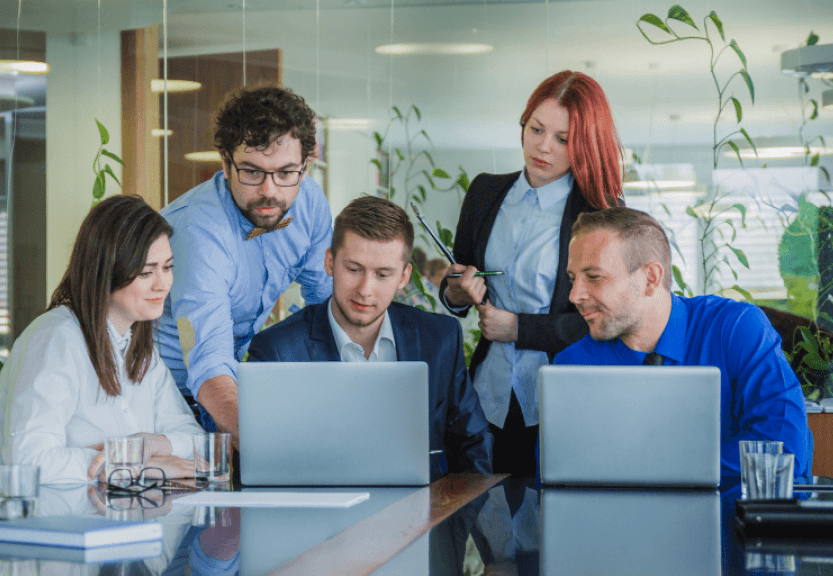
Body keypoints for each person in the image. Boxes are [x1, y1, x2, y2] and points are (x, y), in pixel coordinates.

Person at [441, 70, 623, 475]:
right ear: (523, 125)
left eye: (563, 140)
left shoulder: (599, 215)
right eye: (536, 129)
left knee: (554, 527)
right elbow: (459, 279)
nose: (543, 147)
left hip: (562, 400)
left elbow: (606, 321)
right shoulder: (485, 193)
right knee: (484, 525)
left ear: (585, 146)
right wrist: (456, 293)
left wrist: (519, 328)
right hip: (486, 396)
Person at [557, 206, 811, 477]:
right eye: (573, 279)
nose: (575, 295)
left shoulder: (735, 329)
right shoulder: (574, 366)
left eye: (594, 277)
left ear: (650, 279)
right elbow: (559, 474)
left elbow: (784, 450)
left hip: (734, 518)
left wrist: (654, 468)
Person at [247, 196, 493, 475]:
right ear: (330, 262)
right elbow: (265, 467)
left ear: (403, 277)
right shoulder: (277, 351)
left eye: (383, 274)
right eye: (353, 269)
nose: (365, 289)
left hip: (424, 513)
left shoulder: (439, 338)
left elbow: (473, 446)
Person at [156, 85, 333, 444]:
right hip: (167, 397)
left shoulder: (309, 202)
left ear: (306, 165)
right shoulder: (199, 232)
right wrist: (264, 445)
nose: (270, 191)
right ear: (225, 163)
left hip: (235, 382)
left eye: (286, 172)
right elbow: (208, 360)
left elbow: (324, 307)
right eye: (252, 172)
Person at [0, 195, 204, 486]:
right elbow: (27, 460)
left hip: (125, 518)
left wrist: (151, 445)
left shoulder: (139, 349)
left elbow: (196, 442)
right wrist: (127, 463)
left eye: (167, 267)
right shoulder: (57, 339)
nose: (163, 283)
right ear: (107, 272)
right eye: (147, 272)